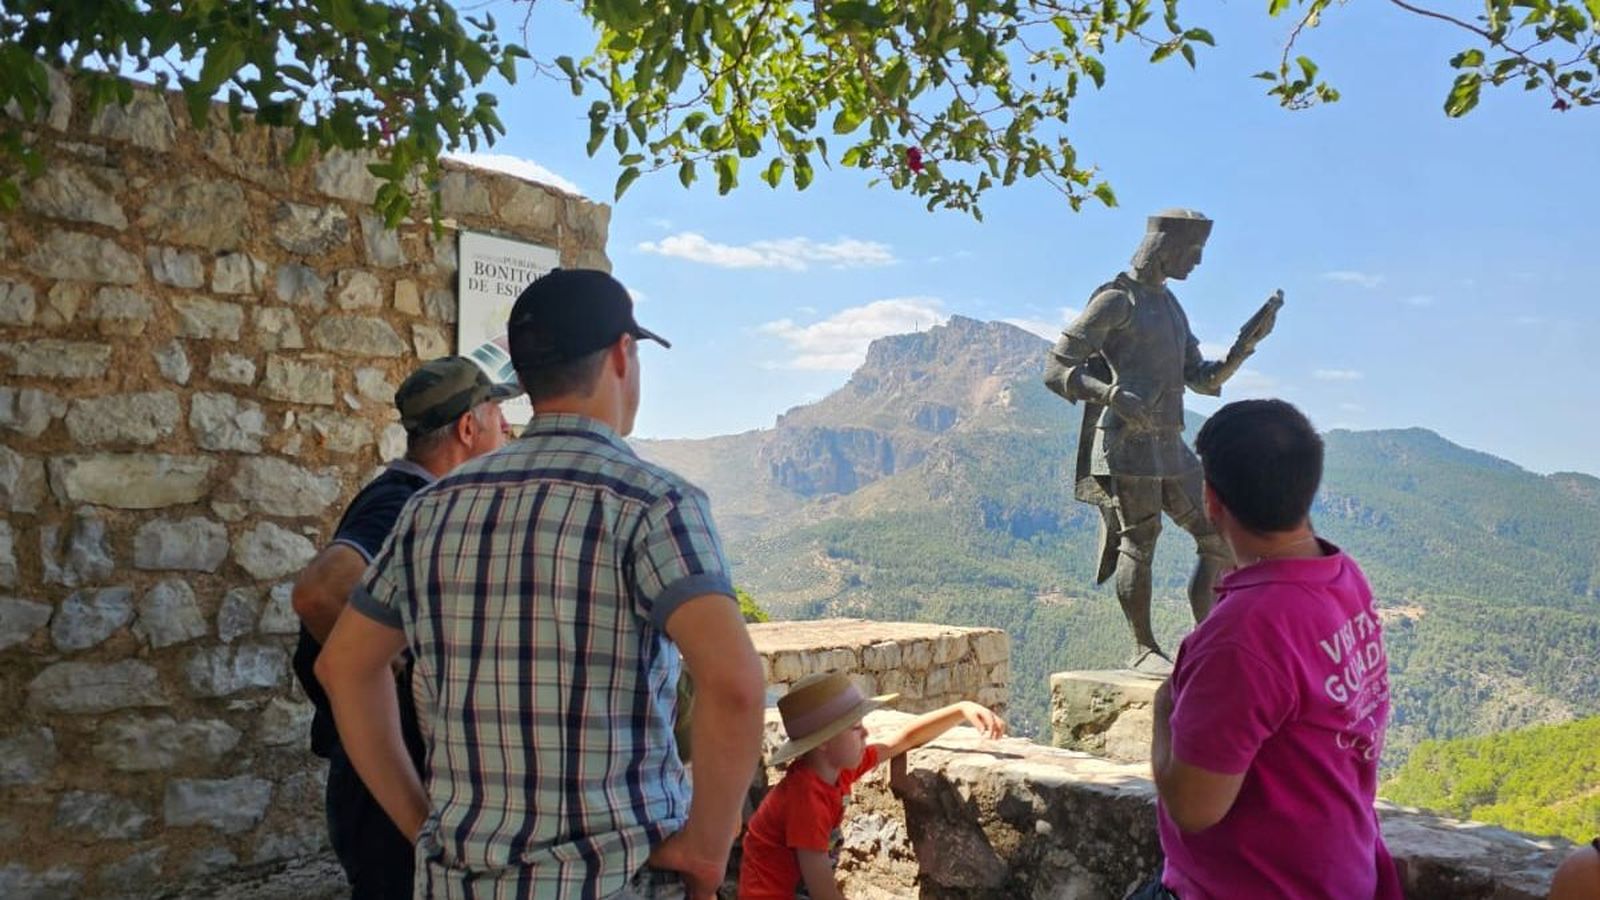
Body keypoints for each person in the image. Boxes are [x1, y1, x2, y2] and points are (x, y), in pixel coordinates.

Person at [315, 268, 765, 900]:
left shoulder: (431, 507)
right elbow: (735, 685)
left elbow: (343, 668)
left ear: (524, 379)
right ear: (622, 355)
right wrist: (707, 848)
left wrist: (422, 828)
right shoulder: (654, 504)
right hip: (615, 880)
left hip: (461, 882)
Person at [1143, 399, 1401, 899]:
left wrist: (1163, 706)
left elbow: (1194, 808)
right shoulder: (1342, 577)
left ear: (1211, 500)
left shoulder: (1245, 634)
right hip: (1338, 871)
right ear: (1306, 488)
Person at [290, 355, 518, 898]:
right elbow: (318, 591)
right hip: (385, 786)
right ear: (468, 428)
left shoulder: (411, 498)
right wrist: (390, 673)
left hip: (381, 778)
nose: (508, 429)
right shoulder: (404, 502)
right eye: (497, 415)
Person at [1043, 209, 1283, 674]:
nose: (1197, 262)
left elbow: (1200, 377)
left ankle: (1210, 641)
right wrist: (1111, 395)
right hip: (1126, 443)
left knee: (1218, 535)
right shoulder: (1117, 301)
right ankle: (1143, 647)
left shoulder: (1171, 306)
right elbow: (1057, 368)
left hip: (1170, 441)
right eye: (1193, 252)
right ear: (1163, 249)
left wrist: (1243, 348)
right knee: (1140, 541)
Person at [738, 671, 1006, 900]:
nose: (866, 733)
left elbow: (904, 739)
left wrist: (960, 709)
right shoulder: (806, 797)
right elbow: (821, 889)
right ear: (824, 742)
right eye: (856, 728)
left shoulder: (837, 771)